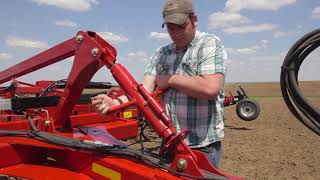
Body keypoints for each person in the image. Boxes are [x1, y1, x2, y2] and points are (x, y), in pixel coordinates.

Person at [91, 0, 227, 168]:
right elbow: (143, 92)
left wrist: (170, 79)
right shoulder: (161, 53)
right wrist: (116, 104)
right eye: (170, 28)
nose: (176, 33)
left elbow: (210, 88)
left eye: (181, 26)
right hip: (169, 142)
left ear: (194, 20)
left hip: (202, 146)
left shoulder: (209, 44)